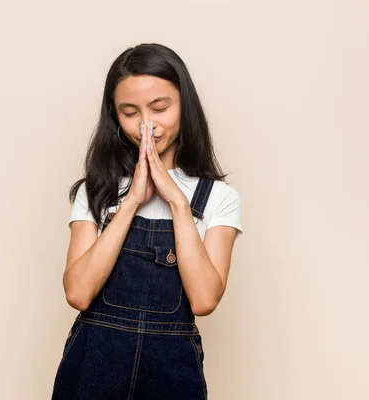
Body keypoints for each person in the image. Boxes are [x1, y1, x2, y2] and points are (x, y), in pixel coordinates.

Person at [51, 43, 242, 400]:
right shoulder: (96, 193)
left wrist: (177, 203)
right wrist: (133, 201)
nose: (147, 125)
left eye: (160, 108)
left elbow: (204, 300)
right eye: (129, 112)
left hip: (171, 373)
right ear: (115, 119)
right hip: (94, 364)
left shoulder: (218, 198)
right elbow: (77, 293)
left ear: (185, 106)